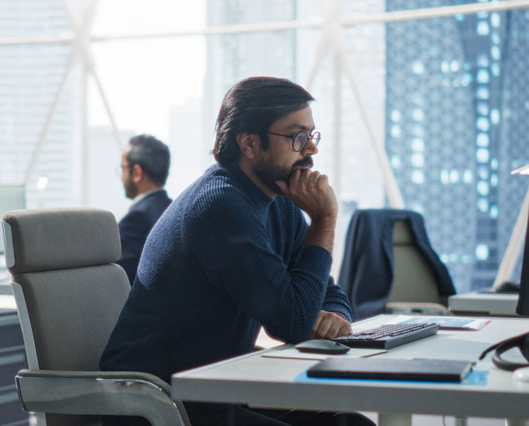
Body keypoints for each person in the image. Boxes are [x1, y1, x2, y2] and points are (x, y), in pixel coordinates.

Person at [98, 77, 372, 426]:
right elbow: (293, 324)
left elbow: (324, 290)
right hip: (157, 404)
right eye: (297, 136)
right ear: (249, 144)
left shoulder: (278, 203)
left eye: (312, 136)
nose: (311, 150)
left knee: (352, 423)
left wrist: (336, 314)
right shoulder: (220, 207)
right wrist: (325, 217)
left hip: (213, 392)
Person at [116, 134, 173, 283]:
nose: (121, 177)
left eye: (123, 169)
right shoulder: (174, 210)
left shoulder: (135, 219)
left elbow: (121, 281)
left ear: (136, 172)